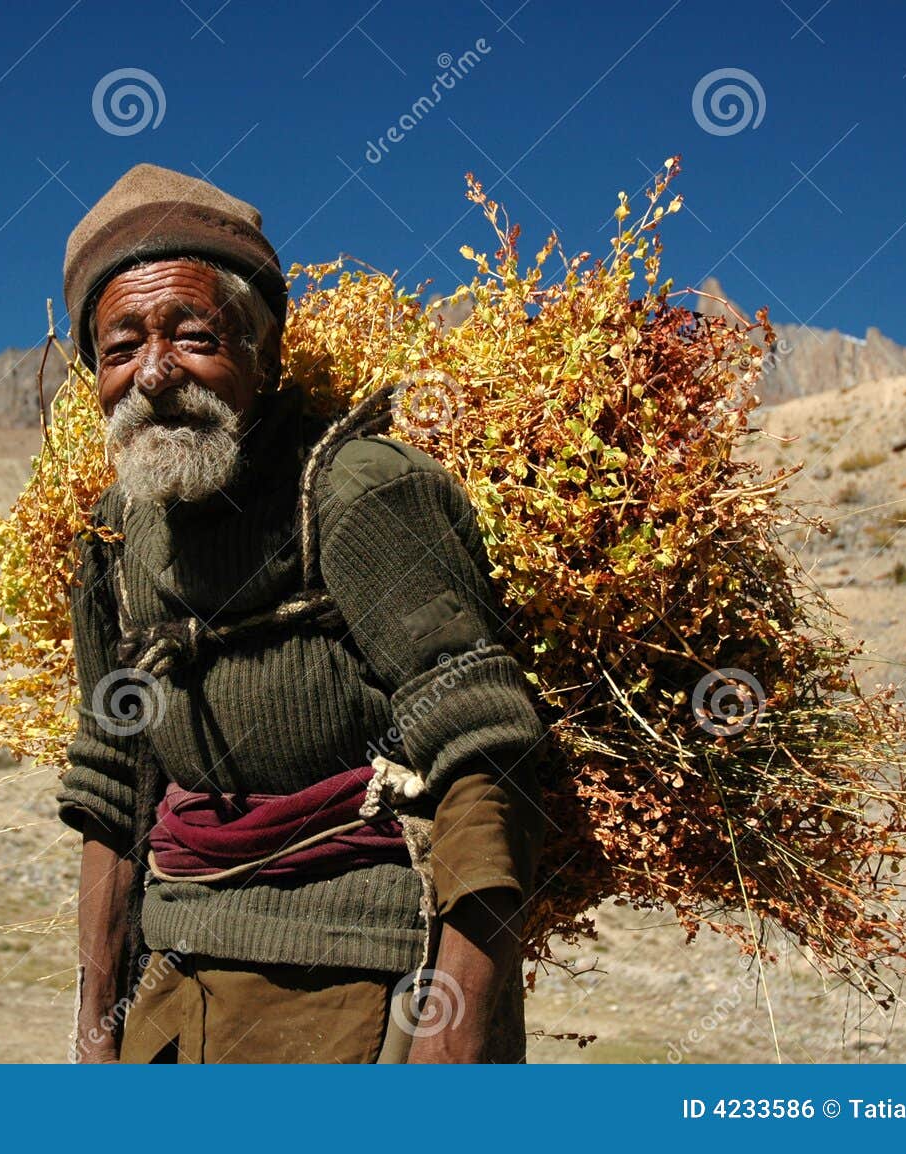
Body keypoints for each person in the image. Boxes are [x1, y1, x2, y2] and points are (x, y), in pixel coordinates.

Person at [56, 163, 549, 1063]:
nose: (157, 374)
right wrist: (93, 1030)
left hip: (367, 992)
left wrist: (461, 1032)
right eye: (122, 348)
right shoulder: (114, 543)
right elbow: (110, 784)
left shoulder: (358, 495)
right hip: (173, 990)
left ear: (265, 352)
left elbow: (489, 756)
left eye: (195, 335)